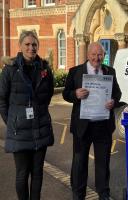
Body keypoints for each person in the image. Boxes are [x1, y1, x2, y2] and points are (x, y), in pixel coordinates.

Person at [63, 42, 122, 200]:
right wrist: (75, 94)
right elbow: (65, 94)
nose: (97, 58)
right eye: (94, 54)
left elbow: (117, 93)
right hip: (83, 127)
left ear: (104, 55)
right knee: (79, 163)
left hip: (103, 126)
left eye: (100, 54)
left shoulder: (110, 71)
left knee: (103, 164)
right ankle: (78, 194)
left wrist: (113, 102)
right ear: (88, 55)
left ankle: (103, 194)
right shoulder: (75, 72)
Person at [0, 30, 54, 200]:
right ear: (20, 46)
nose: (31, 48)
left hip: (40, 129)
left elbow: (48, 95)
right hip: (19, 131)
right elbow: (2, 99)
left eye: (34, 44)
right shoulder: (10, 69)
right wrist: (12, 122)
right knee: (22, 173)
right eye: (28, 44)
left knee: (37, 173)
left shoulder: (45, 68)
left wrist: (40, 114)